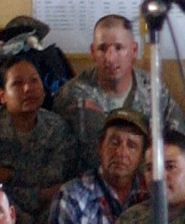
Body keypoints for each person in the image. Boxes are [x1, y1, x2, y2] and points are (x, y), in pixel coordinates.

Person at [0, 53, 81, 221]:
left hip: (47, 223)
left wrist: (8, 180)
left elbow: (59, 190)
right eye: (17, 83)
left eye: (34, 81)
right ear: (2, 95)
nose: (27, 88)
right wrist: (38, 193)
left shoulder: (58, 129)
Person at [55, 14, 160, 158]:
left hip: (139, 178)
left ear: (134, 50)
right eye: (102, 48)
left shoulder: (153, 90)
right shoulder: (71, 94)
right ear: (92, 52)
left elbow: (180, 138)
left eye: (119, 48)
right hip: (89, 178)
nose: (110, 58)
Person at [47, 109, 147, 224]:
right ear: (100, 147)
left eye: (131, 145)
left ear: (143, 156)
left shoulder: (152, 196)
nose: (121, 152)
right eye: (114, 142)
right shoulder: (72, 197)